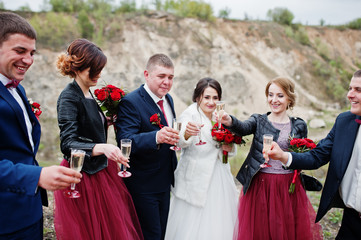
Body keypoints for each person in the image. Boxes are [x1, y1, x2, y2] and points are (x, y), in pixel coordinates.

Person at [0, 12, 82, 239]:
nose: (28, 60)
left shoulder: (18, 89)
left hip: (28, 211)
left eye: (31, 53)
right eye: (19, 51)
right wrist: (36, 176)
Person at [53, 38, 143, 240]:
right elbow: (68, 144)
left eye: (100, 69)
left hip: (100, 169)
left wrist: (106, 121)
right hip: (82, 175)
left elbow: (87, 124)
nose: (98, 74)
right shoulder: (68, 97)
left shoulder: (88, 93)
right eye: (93, 69)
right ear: (78, 68)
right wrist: (103, 147)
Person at [221, 77, 323, 240]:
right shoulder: (258, 120)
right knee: (261, 230)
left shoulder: (299, 125)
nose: (274, 100)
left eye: (280, 96)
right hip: (261, 185)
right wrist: (229, 121)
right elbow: (243, 127)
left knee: (285, 229)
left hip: (288, 186)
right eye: (270, 95)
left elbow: (303, 155)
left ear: (289, 98)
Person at [266, 70, 361, 239]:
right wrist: (283, 156)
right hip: (351, 220)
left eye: (358, 90)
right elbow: (317, 156)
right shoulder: (344, 121)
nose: (349, 95)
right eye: (350, 88)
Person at [164, 78, 239, 240]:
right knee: (191, 226)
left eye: (215, 97)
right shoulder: (190, 114)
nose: (211, 102)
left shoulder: (221, 116)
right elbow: (179, 141)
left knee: (219, 221)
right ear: (198, 97)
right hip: (195, 178)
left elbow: (230, 145)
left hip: (219, 176)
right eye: (207, 97)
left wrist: (229, 146)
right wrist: (186, 133)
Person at [116, 53, 179, 240]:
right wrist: (156, 137)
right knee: (148, 235)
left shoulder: (169, 100)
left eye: (170, 77)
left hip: (165, 179)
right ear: (147, 74)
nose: (166, 82)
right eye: (161, 76)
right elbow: (125, 141)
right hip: (142, 184)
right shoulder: (131, 102)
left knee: (162, 233)